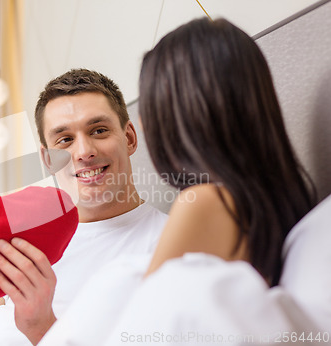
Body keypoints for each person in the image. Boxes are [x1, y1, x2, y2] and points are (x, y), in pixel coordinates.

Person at [38, 18, 319, 346]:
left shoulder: (205, 204)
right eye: (65, 140)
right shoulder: (274, 201)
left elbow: (142, 327)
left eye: (152, 107)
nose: (83, 152)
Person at [0, 69, 168, 345]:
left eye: (99, 131)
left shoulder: (171, 244)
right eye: (65, 139)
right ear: (48, 159)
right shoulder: (21, 238)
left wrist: (41, 328)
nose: (84, 151)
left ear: (130, 138)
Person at [137, 18, 316, 284]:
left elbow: (145, 321)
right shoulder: (284, 195)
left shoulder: (205, 203)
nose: (142, 122)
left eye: (148, 106)